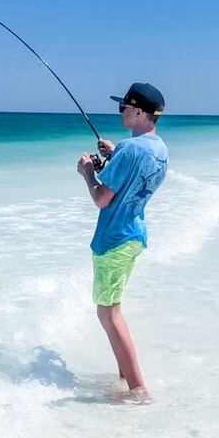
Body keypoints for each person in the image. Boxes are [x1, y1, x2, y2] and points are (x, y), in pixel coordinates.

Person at [76, 82, 168, 399]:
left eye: (124, 106)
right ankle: (125, 377)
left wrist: (88, 172)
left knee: (108, 313)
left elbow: (102, 198)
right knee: (114, 308)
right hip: (134, 235)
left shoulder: (131, 150)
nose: (121, 111)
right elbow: (135, 177)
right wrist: (113, 155)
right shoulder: (158, 149)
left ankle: (138, 389)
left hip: (114, 238)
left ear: (139, 111)